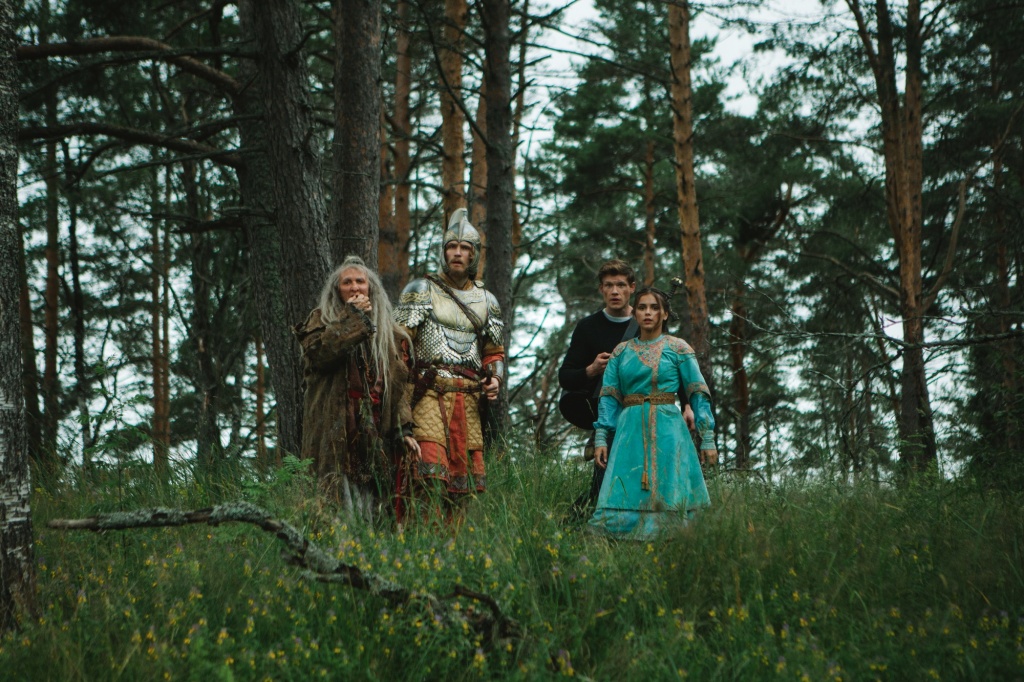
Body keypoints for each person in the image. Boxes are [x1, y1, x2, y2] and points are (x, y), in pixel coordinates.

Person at [393, 208, 505, 526]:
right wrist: (399, 400)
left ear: (473, 254)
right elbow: (399, 347)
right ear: (443, 252)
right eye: (451, 246)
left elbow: (494, 353)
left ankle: (451, 547)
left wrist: (495, 379)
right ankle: (421, 540)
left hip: (468, 400)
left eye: (465, 247)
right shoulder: (420, 289)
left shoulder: (488, 301)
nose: (457, 252)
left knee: (463, 485)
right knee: (428, 472)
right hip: (428, 393)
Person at [558, 260, 693, 519]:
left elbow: (672, 364)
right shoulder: (587, 327)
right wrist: (592, 370)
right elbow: (566, 377)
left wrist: (687, 404)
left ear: (632, 287)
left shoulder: (646, 318)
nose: (615, 291)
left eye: (621, 285)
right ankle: (580, 523)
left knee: (653, 473)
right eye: (608, 285)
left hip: (648, 411)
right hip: (609, 413)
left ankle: (652, 526)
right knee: (605, 478)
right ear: (601, 289)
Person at [294, 256, 420, 525]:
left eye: (360, 281)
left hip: (375, 429)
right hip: (335, 426)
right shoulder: (320, 321)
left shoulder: (390, 334)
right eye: (347, 282)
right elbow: (320, 355)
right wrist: (353, 319)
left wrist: (403, 428)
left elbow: (397, 385)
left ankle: (370, 547)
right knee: (333, 498)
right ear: (337, 290)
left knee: (375, 501)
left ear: (370, 288)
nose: (354, 287)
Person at [589, 286, 717, 540]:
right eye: (642, 308)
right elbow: (609, 396)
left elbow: (697, 391)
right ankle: (616, 539)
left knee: (671, 484)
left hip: (669, 428)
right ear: (634, 313)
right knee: (625, 482)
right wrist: (601, 437)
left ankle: (675, 538)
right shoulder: (621, 352)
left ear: (665, 314)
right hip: (629, 430)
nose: (648, 313)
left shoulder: (678, 348)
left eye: (654, 308)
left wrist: (708, 437)